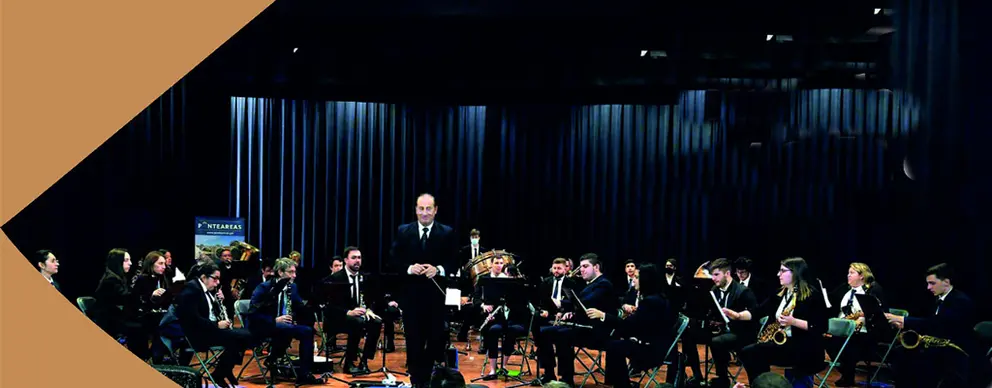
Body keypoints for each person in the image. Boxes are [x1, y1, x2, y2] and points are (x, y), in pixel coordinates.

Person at [388, 193, 458, 388]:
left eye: (429, 209)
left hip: (436, 298)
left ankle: (427, 377)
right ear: (416, 210)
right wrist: (410, 268)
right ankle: (417, 382)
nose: (424, 213)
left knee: (435, 340)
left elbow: (454, 261)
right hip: (412, 298)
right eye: (421, 208)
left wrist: (439, 269)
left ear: (435, 210)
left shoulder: (447, 232)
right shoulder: (403, 231)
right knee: (413, 341)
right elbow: (393, 260)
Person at [723, 257, 829, 383]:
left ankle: (764, 383)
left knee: (754, 352)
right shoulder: (780, 294)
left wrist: (794, 322)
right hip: (785, 344)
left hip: (805, 347)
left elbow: (821, 327)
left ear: (795, 272)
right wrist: (738, 316)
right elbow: (758, 311)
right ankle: (761, 384)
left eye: (783, 271)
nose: (778, 274)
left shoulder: (813, 296)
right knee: (747, 352)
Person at [586, 263, 680, 388]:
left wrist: (603, 315)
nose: (633, 280)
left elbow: (630, 327)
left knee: (613, 346)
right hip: (655, 345)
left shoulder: (650, 302)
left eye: (636, 277)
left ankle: (622, 385)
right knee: (616, 343)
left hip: (653, 351)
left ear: (645, 280)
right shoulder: (657, 298)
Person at [884, 263, 976, 388]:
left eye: (932, 283)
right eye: (928, 283)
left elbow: (939, 325)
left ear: (946, 282)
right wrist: (903, 324)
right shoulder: (939, 299)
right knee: (899, 353)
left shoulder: (960, 301)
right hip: (940, 346)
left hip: (955, 349)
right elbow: (931, 323)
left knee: (916, 361)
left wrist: (903, 319)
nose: (928, 287)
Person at [536, 253, 618, 385]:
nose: (581, 270)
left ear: (596, 267)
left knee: (562, 334)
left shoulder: (603, 284)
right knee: (543, 332)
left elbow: (586, 303)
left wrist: (560, 304)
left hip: (597, 332)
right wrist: (572, 313)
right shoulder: (590, 284)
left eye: (585, 266)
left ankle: (566, 379)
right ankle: (549, 374)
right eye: (581, 267)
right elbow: (582, 306)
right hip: (584, 327)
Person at [175, 261, 254, 388]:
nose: (217, 283)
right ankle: (222, 372)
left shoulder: (206, 288)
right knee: (244, 336)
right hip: (197, 335)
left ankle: (224, 371)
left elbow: (210, 310)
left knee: (244, 336)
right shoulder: (191, 290)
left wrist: (218, 301)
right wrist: (217, 325)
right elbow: (193, 319)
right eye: (215, 279)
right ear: (204, 277)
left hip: (209, 330)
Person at [246, 258, 325, 385]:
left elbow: (300, 307)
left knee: (307, 331)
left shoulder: (292, 287)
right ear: (280, 272)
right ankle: (274, 358)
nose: (294, 275)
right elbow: (253, 313)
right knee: (295, 331)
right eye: (290, 272)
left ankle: (304, 374)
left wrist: (313, 305)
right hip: (263, 326)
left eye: (295, 272)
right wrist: (274, 320)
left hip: (284, 328)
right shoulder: (264, 287)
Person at [681, 258, 758, 387]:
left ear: (727, 274)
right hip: (721, 331)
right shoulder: (714, 290)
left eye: (717, 274)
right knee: (687, 333)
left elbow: (754, 314)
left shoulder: (743, 291)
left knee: (717, 341)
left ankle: (722, 378)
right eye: (712, 275)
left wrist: (737, 316)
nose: (713, 278)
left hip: (740, 333)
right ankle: (697, 376)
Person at [825, 262, 886, 387]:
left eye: (852, 273)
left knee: (849, 343)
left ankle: (848, 375)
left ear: (862, 276)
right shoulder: (844, 289)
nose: (848, 276)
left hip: (863, 331)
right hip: (842, 329)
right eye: (848, 273)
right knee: (825, 339)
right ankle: (846, 372)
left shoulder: (873, 289)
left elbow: (879, 312)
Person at [323, 247, 382, 375]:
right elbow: (329, 306)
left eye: (359, 258)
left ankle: (364, 361)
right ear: (346, 260)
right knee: (356, 322)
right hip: (339, 317)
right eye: (354, 258)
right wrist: (348, 312)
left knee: (376, 322)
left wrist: (369, 310)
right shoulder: (335, 278)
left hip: (358, 315)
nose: (357, 261)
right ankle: (349, 363)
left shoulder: (364, 278)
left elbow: (371, 299)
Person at [475, 255, 528, 379]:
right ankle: (493, 369)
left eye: (501, 263)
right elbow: (476, 297)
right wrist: (484, 306)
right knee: (492, 331)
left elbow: (518, 301)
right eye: (496, 263)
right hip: (493, 316)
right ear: (491, 265)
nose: (499, 265)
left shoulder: (509, 281)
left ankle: (503, 366)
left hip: (510, 317)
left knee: (511, 331)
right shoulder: (484, 279)